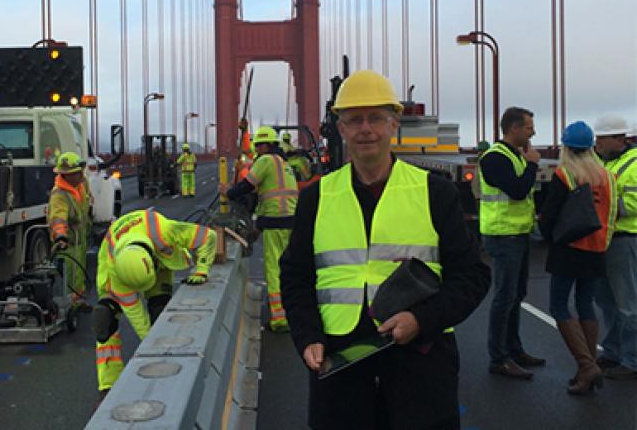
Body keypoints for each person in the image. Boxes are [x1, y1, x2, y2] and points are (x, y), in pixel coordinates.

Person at [280, 69, 490, 429]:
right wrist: (307, 336)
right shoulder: (316, 197)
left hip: (419, 358)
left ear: (394, 124)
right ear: (341, 129)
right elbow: (295, 276)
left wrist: (421, 320)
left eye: (376, 118)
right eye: (354, 119)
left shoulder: (435, 192)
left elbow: (472, 276)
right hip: (339, 359)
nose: (366, 128)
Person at [92, 208, 216, 399]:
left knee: (160, 312)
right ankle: (109, 385)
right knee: (104, 319)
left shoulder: (163, 230)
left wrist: (202, 270)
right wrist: (153, 348)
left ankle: (170, 374)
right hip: (116, 266)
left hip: (157, 258)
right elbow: (138, 319)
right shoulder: (116, 274)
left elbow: (209, 236)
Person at [539, 121, 617, 394]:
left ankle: (587, 366)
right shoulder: (606, 175)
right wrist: (603, 243)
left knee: (559, 306)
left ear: (566, 147)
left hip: (569, 250)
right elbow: (612, 212)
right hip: (596, 249)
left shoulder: (565, 175)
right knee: (586, 305)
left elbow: (549, 215)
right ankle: (588, 366)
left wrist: (547, 238)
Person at [479, 106, 545, 379]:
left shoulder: (513, 156)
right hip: (502, 234)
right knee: (505, 297)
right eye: (529, 127)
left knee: (517, 294)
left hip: (517, 234)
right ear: (514, 128)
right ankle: (499, 358)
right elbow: (518, 191)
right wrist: (532, 164)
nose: (534, 132)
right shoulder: (495, 158)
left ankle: (514, 349)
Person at [219, 126, 298, 332]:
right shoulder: (284, 163)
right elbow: (270, 195)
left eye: (259, 146)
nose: (258, 150)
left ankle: (279, 319)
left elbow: (247, 186)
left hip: (275, 222)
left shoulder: (265, 161)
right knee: (290, 268)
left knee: (273, 269)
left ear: (264, 145)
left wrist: (229, 192)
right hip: (291, 221)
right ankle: (292, 313)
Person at [593, 114, 637, 380]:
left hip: (624, 239)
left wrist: (603, 205)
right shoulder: (600, 161)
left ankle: (631, 360)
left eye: (601, 138)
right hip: (603, 239)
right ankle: (612, 352)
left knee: (627, 303)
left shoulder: (634, 164)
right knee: (606, 300)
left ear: (619, 138)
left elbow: (632, 204)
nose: (597, 142)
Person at [48, 152, 92, 311]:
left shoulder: (82, 184)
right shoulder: (59, 194)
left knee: (79, 271)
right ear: (66, 175)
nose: (81, 174)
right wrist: (60, 235)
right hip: (68, 241)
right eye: (76, 173)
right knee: (69, 273)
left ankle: (78, 301)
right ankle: (68, 307)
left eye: (81, 171)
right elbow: (58, 218)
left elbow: (87, 203)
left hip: (81, 238)